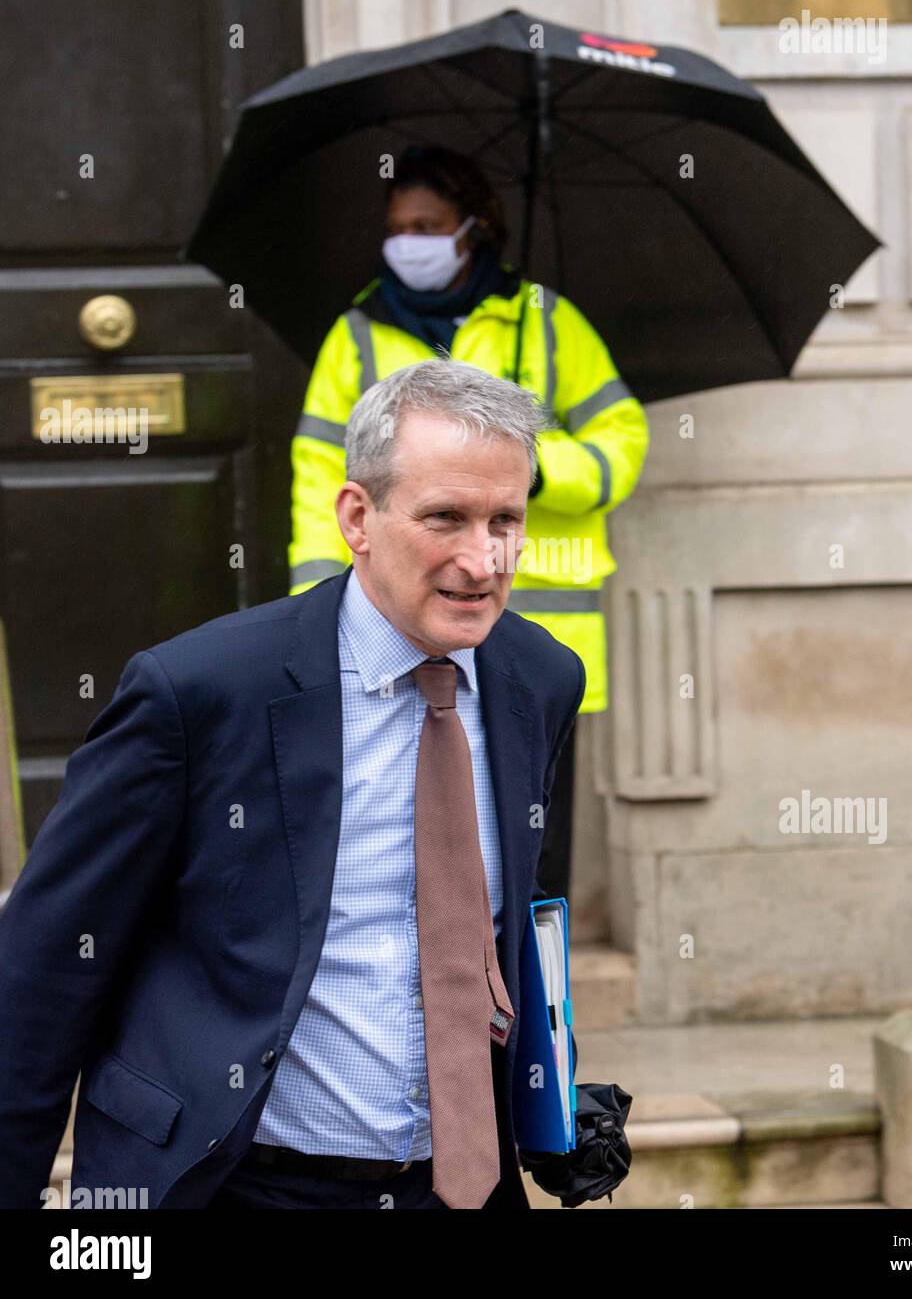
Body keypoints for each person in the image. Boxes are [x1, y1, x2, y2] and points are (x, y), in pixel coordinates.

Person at [0, 362, 584, 1210]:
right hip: (233, 1185)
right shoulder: (197, 690)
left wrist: (553, 1092)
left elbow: (502, 915)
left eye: (505, 520)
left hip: (460, 1188)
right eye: (445, 519)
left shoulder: (540, 678)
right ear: (358, 517)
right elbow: (45, 972)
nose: (482, 558)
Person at [289, 145, 648, 901]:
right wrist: (315, 612)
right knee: (404, 844)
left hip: (541, 641)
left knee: (529, 861)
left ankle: (539, 1010)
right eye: (397, 227)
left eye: (428, 224)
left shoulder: (546, 323)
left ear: (474, 228)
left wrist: (536, 469)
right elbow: (322, 477)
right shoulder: (357, 335)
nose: (408, 242)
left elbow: (623, 443)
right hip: (391, 638)